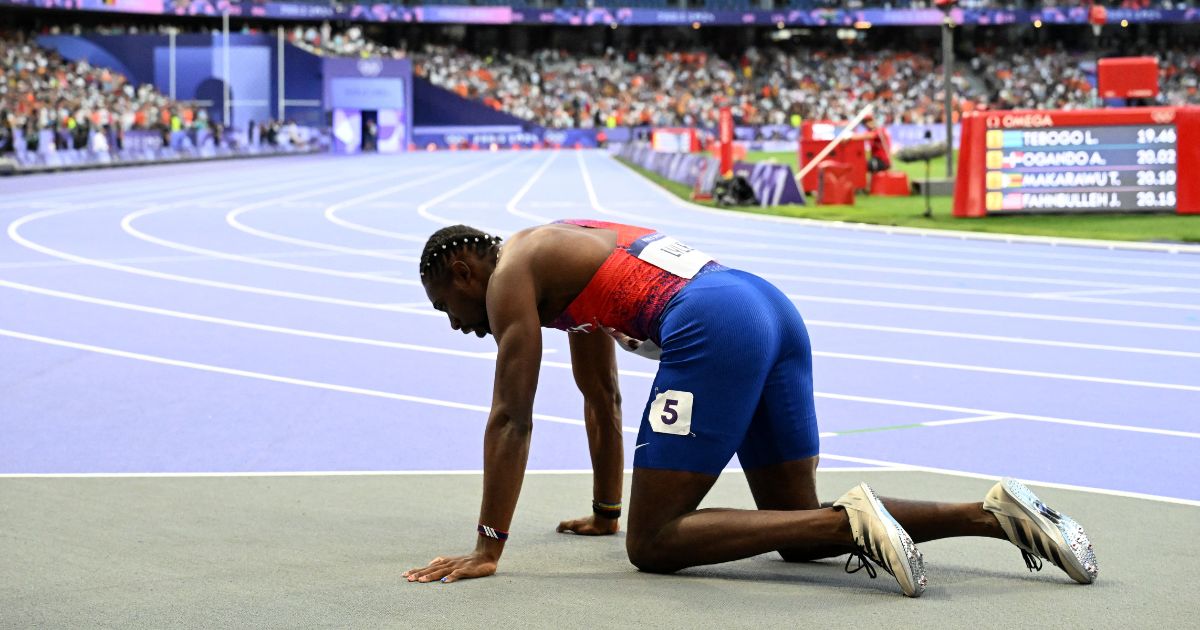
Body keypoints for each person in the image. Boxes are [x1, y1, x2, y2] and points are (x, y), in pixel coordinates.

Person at [404, 220, 1098, 595]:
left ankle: (858, 519)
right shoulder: (558, 261)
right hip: (766, 307)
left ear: (465, 272)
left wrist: (487, 546)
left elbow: (511, 417)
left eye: (447, 306)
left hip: (714, 321)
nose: (456, 322)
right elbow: (601, 397)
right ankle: (993, 513)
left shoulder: (510, 275)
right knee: (798, 527)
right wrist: (606, 513)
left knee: (655, 544)